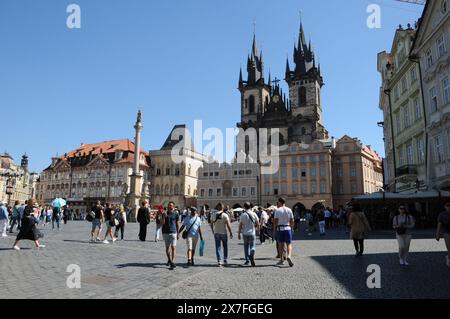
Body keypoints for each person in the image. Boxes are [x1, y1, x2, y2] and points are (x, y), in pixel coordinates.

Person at [273, 198, 294, 267]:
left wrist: (274, 230)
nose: (277, 204)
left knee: (280, 244)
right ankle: (289, 256)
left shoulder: (277, 210)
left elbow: (275, 221)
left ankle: (282, 259)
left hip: (280, 228)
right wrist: (292, 228)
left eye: (278, 202)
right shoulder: (289, 209)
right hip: (287, 228)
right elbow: (292, 220)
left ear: (280, 202)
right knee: (289, 243)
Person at [210, 203, 233, 267]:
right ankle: (225, 260)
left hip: (216, 232)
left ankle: (219, 261)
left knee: (218, 247)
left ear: (217, 208)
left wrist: (212, 230)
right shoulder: (225, 215)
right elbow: (228, 225)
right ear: (223, 208)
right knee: (225, 246)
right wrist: (230, 232)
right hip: (224, 233)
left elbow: (211, 224)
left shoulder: (213, 215)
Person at [238, 202, 260, 267]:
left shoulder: (243, 215)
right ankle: (251, 255)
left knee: (246, 247)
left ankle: (247, 260)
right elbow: (258, 223)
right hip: (252, 233)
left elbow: (240, 225)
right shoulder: (254, 214)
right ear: (250, 207)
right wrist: (258, 231)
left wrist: (239, 233)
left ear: (244, 207)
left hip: (245, 233)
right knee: (252, 246)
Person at [161, 202, 180, 270]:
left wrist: (178, 233)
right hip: (166, 232)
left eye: (171, 205)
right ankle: (169, 259)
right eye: (169, 205)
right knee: (167, 248)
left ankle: (173, 261)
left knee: (173, 247)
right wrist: (164, 216)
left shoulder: (176, 214)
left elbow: (177, 224)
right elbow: (162, 223)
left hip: (173, 232)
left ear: (173, 207)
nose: (170, 206)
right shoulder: (164, 213)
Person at [436, 202, 450, 267]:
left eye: (449, 206)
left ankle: (448, 256)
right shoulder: (442, 214)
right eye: (447, 206)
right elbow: (439, 225)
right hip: (446, 232)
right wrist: (437, 234)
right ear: (445, 207)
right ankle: (449, 258)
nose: (449, 207)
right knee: (449, 248)